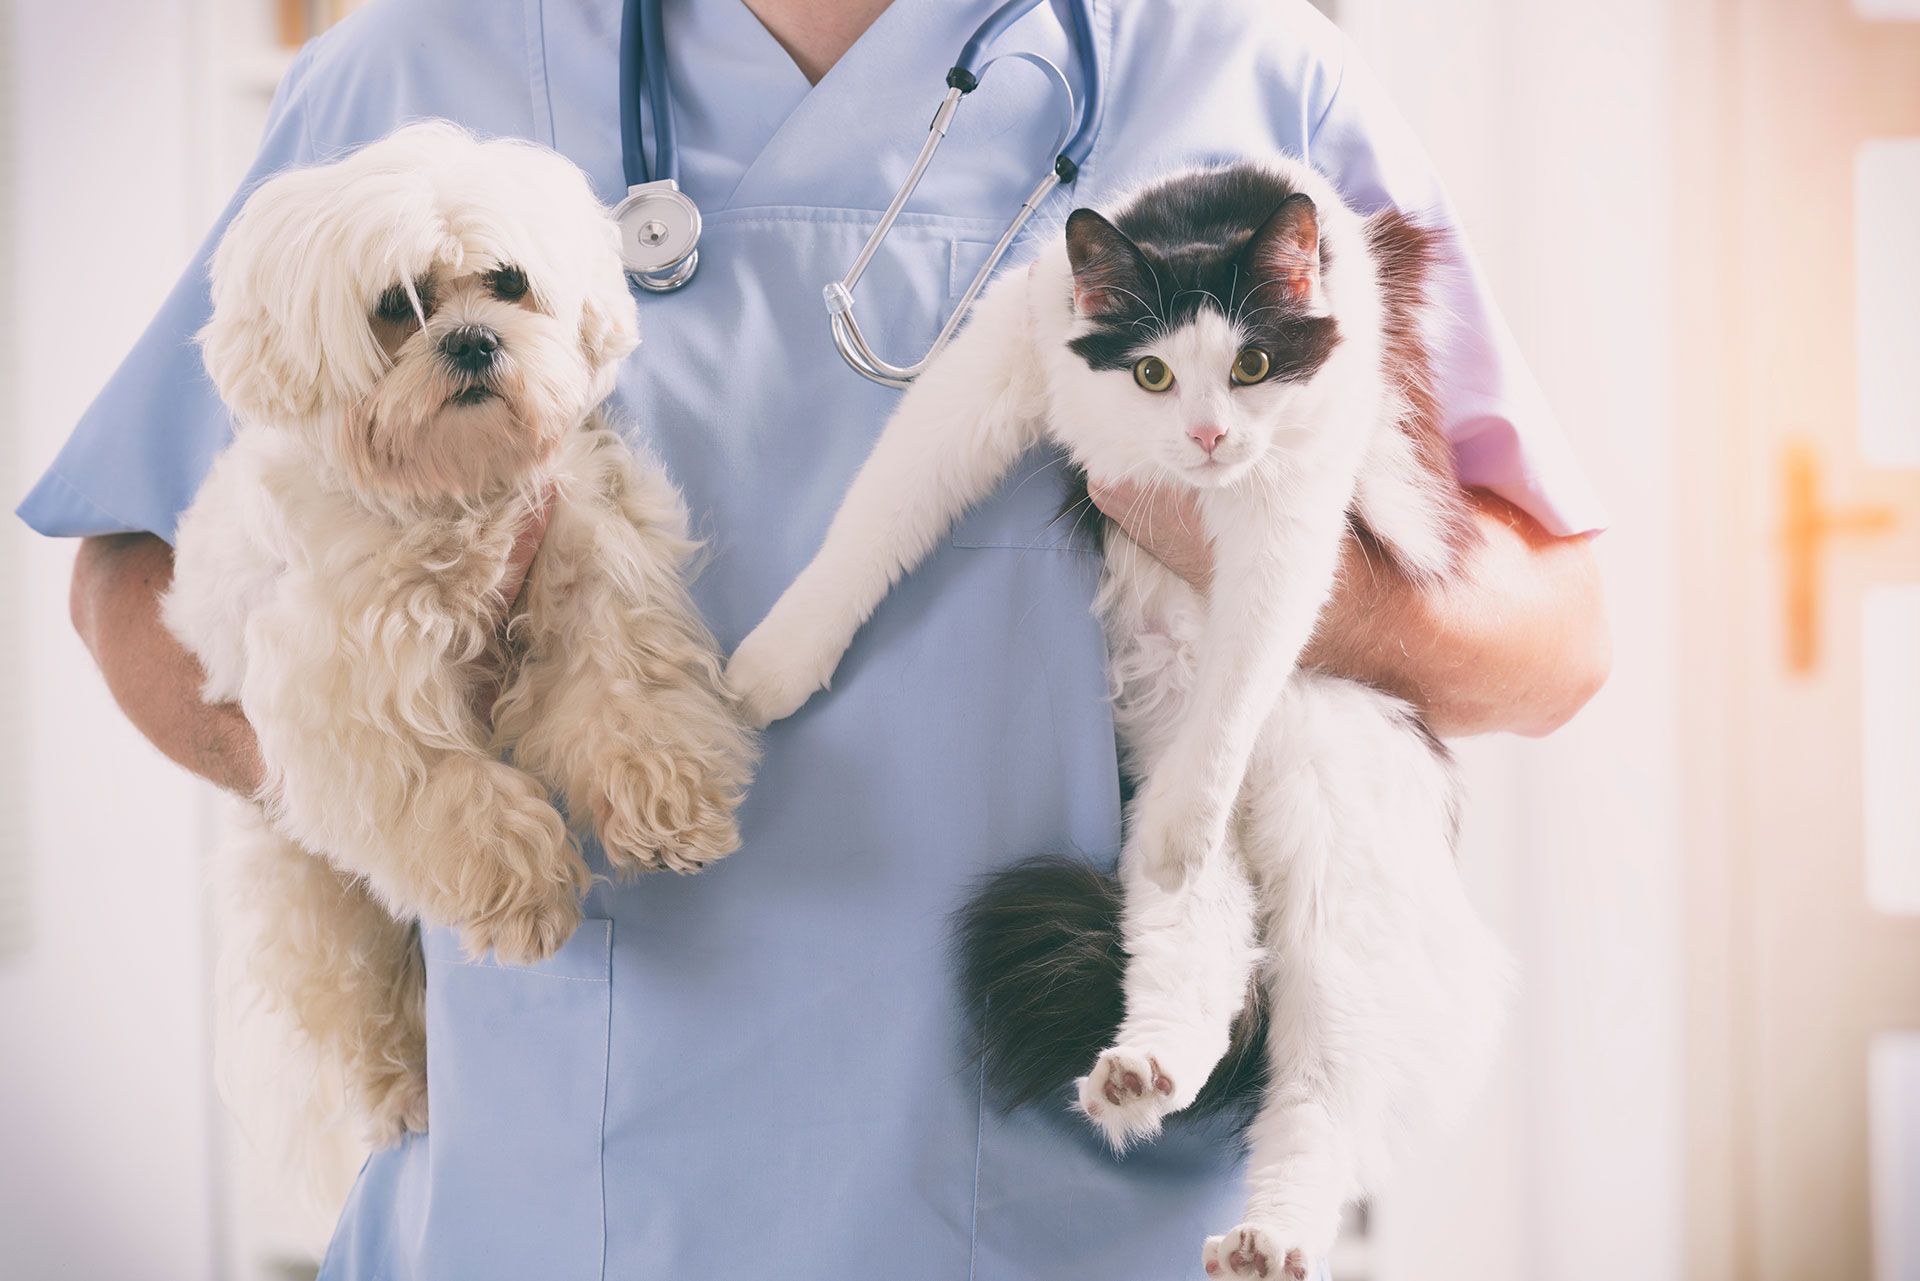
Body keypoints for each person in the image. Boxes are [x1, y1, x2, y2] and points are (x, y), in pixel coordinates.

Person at [32, 1, 1610, 1277]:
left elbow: (1556, 640)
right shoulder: (414, 70)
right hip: (561, 1212)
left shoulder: (1241, 72)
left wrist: (1245, 543)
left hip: (1091, 1200)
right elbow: (132, 573)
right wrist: (358, 767)